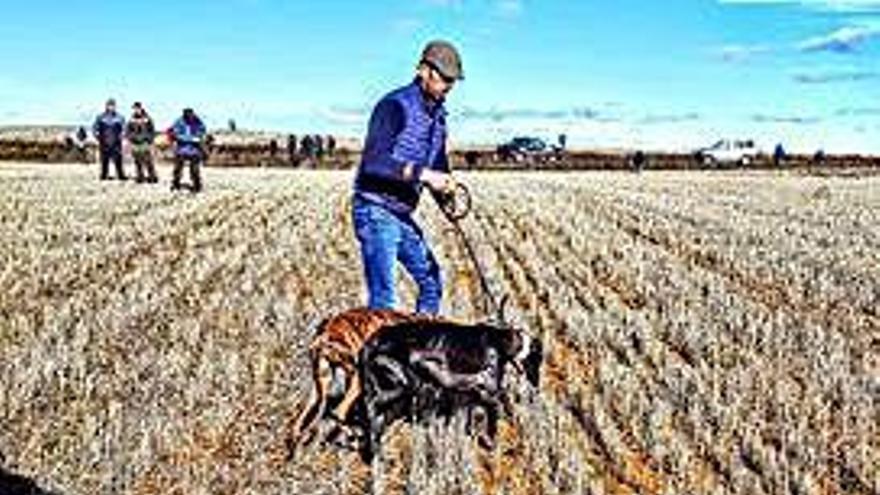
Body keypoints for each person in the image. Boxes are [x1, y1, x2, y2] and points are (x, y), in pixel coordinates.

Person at [352, 40, 463, 315]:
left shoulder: (437, 117)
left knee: (432, 283)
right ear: (423, 70)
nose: (448, 86)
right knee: (385, 301)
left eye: (453, 81)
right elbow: (374, 163)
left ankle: (420, 351)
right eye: (444, 78)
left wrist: (446, 194)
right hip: (375, 209)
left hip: (400, 213)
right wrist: (424, 175)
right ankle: (380, 355)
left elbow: (437, 162)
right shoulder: (393, 106)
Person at [169, 108, 207, 192]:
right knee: (177, 169)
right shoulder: (179, 121)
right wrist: (189, 138)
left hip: (194, 150)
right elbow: (175, 133)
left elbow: (202, 132)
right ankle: (175, 183)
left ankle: (197, 185)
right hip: (181, 149)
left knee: (195, 169)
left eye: (190, 113)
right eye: (187, 113)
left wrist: (198, 139)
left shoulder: (198, 122)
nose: (189, 115)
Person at [92, 98, 126, 180]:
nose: (111, 107)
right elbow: (94, 128)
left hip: (116, 142)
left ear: (115, 107)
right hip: (104, 142)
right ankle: (104, 175)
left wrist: (122, 136)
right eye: (109, 105)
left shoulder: (120, 117)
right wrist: (97, 137)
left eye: (113, 106)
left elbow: (124, 129)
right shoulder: (100, 117)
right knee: (104, 160)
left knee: (118, 160)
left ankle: (121, 175)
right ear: (106, 106)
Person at [126, 102, 158, 183]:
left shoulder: (147, 118)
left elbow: (152, 130)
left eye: (137, 108)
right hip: (135, 143)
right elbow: (128, 131)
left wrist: (149, 139)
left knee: (148, 161)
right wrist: (131, 139)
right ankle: (140, 177)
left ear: (141, 108)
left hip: (145, 142)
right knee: (138, 161)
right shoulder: (131, 119)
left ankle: (152, 177)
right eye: (135, 109)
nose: (136, 110)